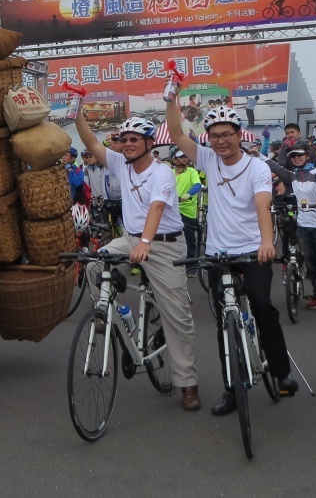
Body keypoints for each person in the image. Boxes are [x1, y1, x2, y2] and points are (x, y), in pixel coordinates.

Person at [166, 98, 297, 414]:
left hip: (253, 251)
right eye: (215, 134)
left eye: (227, 134)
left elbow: (263, 205)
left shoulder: (258, 167)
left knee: (263, 306)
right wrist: (171, 101)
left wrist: (267, 242)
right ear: (209, 137)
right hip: (217, 255)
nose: (221, 140)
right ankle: (231, 389)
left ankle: (281, 372)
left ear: (240, 134)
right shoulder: (208, 160)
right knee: (224, 321)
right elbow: (177, 134)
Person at [75, 111, 201, 411]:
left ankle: (188, 383)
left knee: (177, 317)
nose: (127, 144)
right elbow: (91, 142)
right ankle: (117, 315)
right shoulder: (120, 162)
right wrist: (77, 112)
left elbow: (157, 206)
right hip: (130, 239)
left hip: (164, 245)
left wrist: (146, 243)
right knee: (94, 265)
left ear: (149, 143)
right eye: (123, 139)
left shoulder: (162, 172)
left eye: (134, 139)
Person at [269, 146, 316, 314]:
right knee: (310, 263)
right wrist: (254, 154)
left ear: (307, 156)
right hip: (303, 225)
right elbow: (274, 166)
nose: (296, 158)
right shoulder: (292, 175)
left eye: (299, 155)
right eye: (293, 156)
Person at [171, 148, 204, 271]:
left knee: (190, 239)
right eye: (181, 157)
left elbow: (197, 185)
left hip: (187, 209)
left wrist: (189, 194)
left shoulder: (191, 171)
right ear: (174, 159)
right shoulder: (170, 173)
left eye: (186, 156)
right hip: (172, 209)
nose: (185, 158)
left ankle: (191, 265)